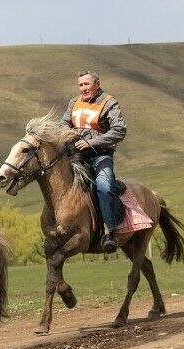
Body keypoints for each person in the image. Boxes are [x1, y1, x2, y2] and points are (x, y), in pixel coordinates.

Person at [62, 70, 127, 253]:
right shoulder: (74, 103)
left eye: (87, 84)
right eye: (81, 85)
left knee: (103, 186)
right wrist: (71, 134)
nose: (83, 88)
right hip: (76, 155)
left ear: (97, 84)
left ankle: (110, 232)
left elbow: (119, 130)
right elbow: (64, 124)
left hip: (100, 155)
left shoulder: (109, 103)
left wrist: (91, 142)